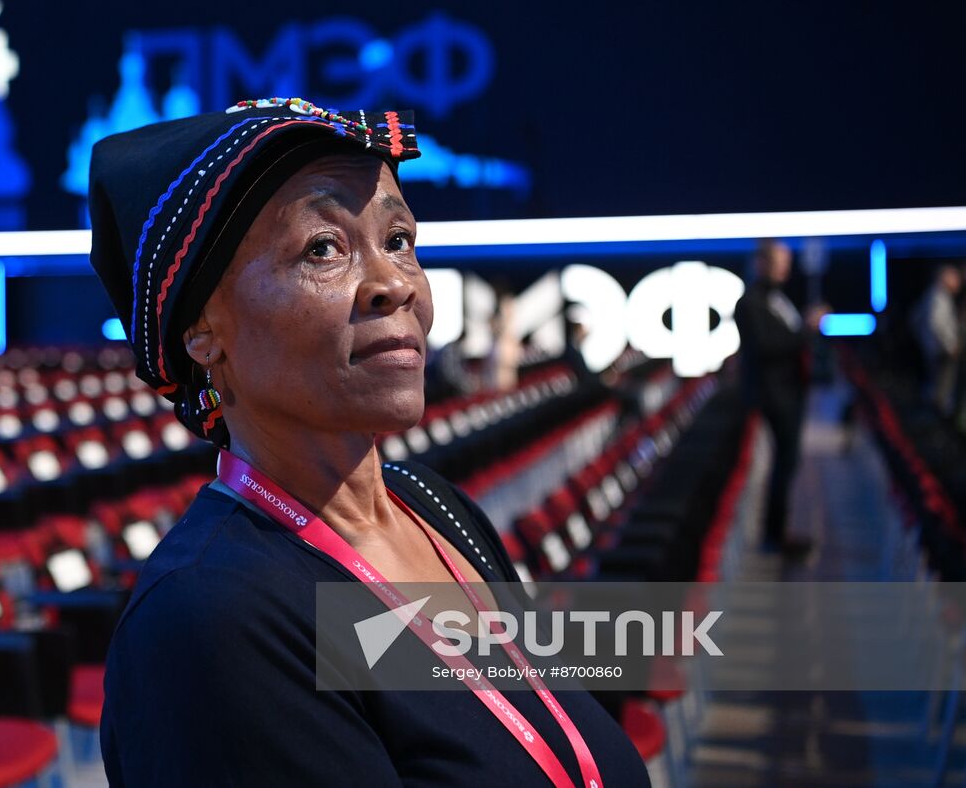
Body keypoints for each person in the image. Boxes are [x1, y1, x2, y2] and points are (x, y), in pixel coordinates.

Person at [88, 98, 649, 786]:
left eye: (399, 241)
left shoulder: (436, 508)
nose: (391, 284)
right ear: (203, 331)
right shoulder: (205, 621)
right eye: (323, 248)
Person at [732, 239, 825, 560]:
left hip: (790, 391)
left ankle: (778, 531)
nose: (785, 267)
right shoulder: (750, 303)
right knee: (782, 464)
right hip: (774, 395)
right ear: (761, 263)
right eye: (779, 261)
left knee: (788, 463)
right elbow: (766, 348)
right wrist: (807, 330)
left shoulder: (778, 299)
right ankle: (773, 536)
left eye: (787, 261)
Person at [911, 264, 961, 418]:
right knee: (940, 393)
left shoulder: (937, 295)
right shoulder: (938, 297)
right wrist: (949, 345)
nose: (958, 282)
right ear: (945, 278)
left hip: (935, 349)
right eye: (955, 278)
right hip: (940, 351)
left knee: (939, 390)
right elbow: (936, 323)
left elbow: (915, 319)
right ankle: (938, 425)